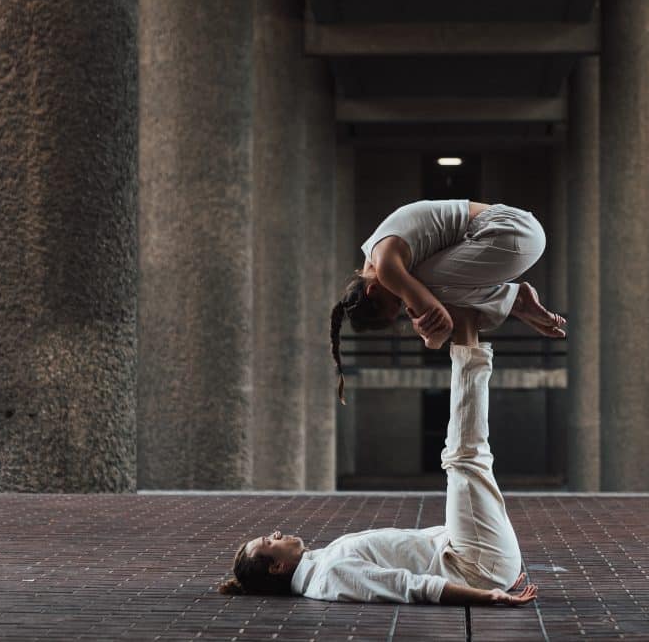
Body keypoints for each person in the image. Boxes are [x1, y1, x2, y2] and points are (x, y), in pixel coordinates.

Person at [219, 310, 538, 606]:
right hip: (474, 565)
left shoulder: (322, 564)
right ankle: (468, 328)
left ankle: (473, 327)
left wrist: (503, 570)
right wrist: (488, 596)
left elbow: (415, 552)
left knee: (466, 459)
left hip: (472, 556)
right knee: (463, 458)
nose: (275, 533)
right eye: (267, 541)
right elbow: (408, 585)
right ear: (277, 567)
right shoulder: (330, 576)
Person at [330, 199, 565, 403]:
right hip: (515, 234)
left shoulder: (386, 268)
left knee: (426, 285)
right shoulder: (375, 253)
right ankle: (515, 300)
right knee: (432, 288)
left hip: (510, 233)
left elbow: (442, 326)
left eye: (396, 302)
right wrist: (427, 327)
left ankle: (515, 300)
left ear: (372, 291)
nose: (402, 301)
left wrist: (428, 337)